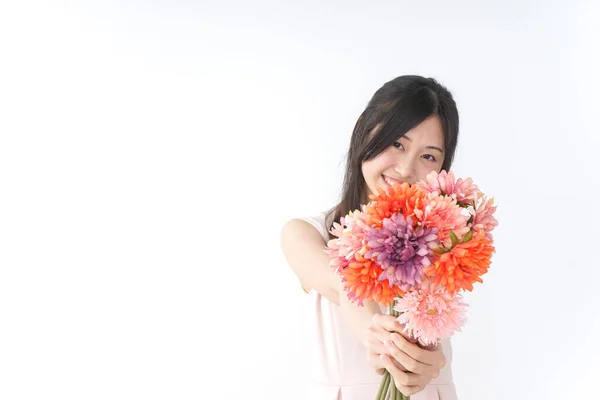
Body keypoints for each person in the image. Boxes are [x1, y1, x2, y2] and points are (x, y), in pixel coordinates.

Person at [280, 75, 461, 400]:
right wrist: (379, 337)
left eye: (428, 156)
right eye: (397, 143)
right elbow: (343, 284)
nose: (406, 169)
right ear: (363, 129)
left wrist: (428, 362)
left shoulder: (446, 241)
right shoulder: (306, 233)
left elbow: (436, 324)